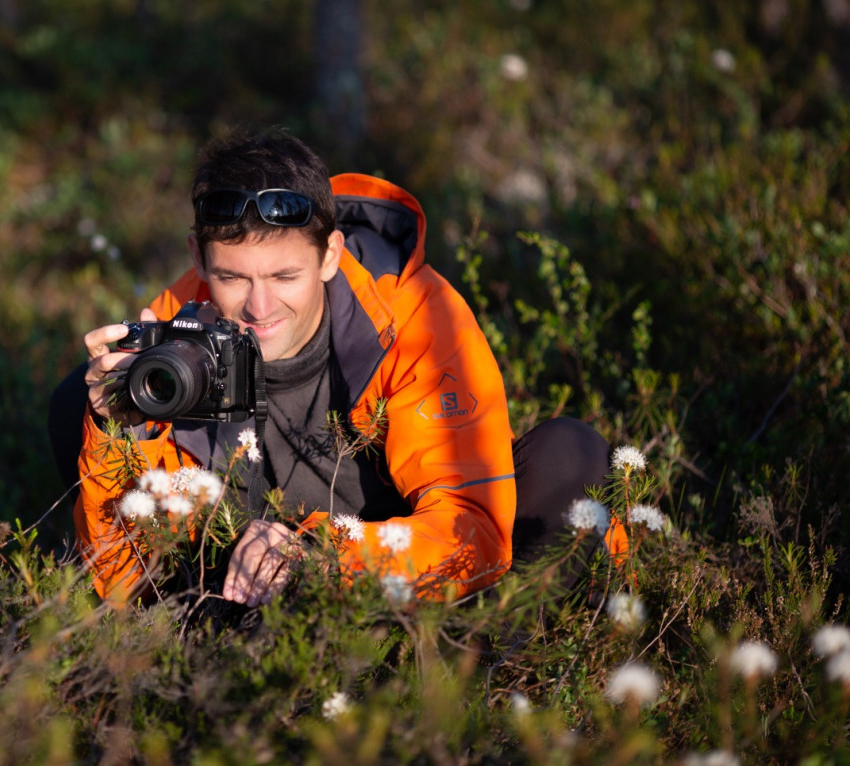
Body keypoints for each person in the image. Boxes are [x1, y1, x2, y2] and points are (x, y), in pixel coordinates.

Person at [48, 129, 624, 608]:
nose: (259, 308)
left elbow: (469, 530)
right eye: (232, 278)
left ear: (330, 255)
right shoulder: (174, 342)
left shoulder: (417, 317)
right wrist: (116, 431)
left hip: (407, 578)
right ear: (199, 257)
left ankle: (496, 672)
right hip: (254, 586)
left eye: (284, 277)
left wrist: (319, 558)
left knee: (568, 457)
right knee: (82, 400)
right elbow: (125, 575)